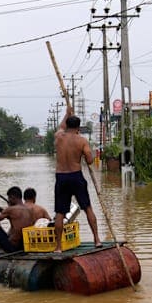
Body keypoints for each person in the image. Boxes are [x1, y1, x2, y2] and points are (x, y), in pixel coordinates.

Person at [54, 105, 102, 251]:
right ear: (78, 127)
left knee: (60, 213)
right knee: (87, 208)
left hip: (61, 177)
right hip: (76, 176)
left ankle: (58, 246)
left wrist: (66, 113)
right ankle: (97, 240)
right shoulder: (81, 141)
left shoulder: (58, 137)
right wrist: (89, 153)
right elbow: (89, 160)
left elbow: (61, 127)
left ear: (67, 124)